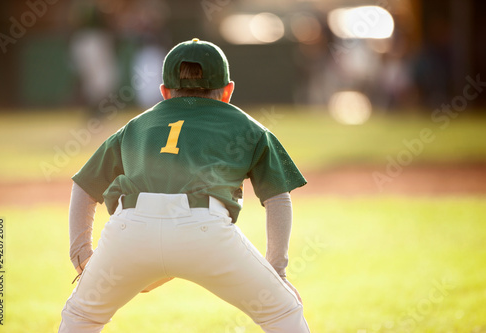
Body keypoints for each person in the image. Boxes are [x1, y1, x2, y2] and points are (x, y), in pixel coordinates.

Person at [59, 38, 310, 333]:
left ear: (164, 92)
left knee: (81, 317)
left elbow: (85, 186)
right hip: (204, 227)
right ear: (228, 91)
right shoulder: (248, 126)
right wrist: (276, 273)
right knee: (281, 312)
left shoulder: (137, 125)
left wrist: (81, 253)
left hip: (129, 228)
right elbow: (278, 198)